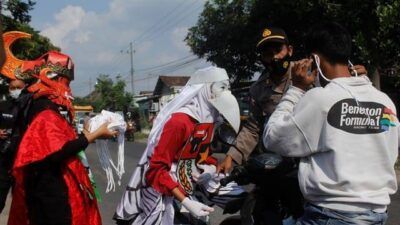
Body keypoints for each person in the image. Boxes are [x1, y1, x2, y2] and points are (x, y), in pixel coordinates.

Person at [263, 22, 399, 225]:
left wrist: (296, 89)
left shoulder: (320, 99)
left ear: (315, 59)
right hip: (376, 215)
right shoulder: (385, 102)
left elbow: (273, 138)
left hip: (329, 216)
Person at [114, 66, 241, 225]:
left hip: (185, 185)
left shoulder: (207, 120)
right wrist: (186, 202)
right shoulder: (179, 122)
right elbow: (156, 169)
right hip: (161, 190)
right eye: (221, 87)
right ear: (204, 90)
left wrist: (211, 167)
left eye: (227, 87)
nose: (225, 92)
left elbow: (197, 156)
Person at [8, 51, 118, 225]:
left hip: (41, 186)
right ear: (52, 78)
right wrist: (93, 135)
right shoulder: (44, 108)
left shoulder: (35, 104)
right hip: (50, 192)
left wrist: (85, 135)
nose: (68, 89)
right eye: (66, 83)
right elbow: (58, 151)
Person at [0, 77, 32, 213]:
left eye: (18, 87)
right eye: (12, 88)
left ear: (25, 87)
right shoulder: (3, 106)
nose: (15, 91)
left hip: (23, 163)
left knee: (23, 206)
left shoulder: (30, 108)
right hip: (3, 162)